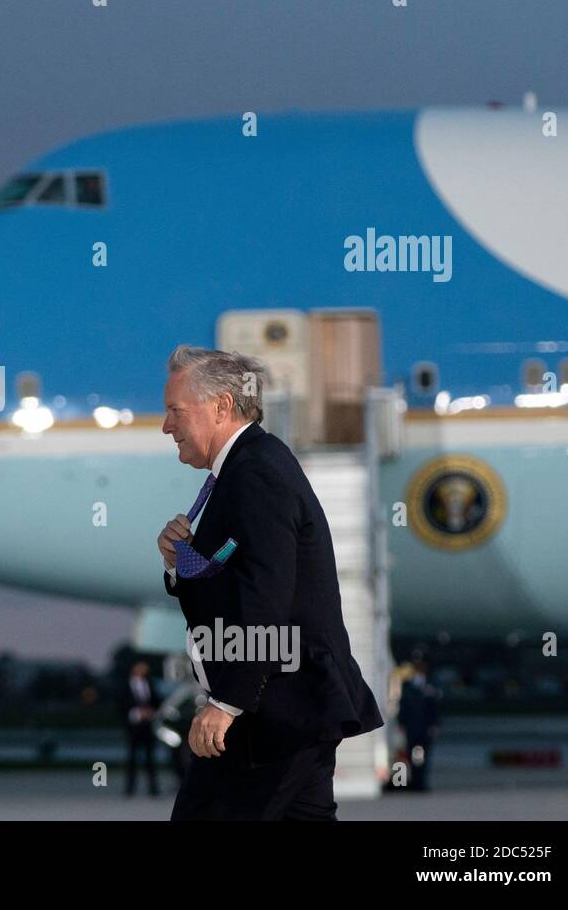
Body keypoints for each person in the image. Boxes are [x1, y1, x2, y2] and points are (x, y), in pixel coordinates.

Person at [157, 345, 384, 820]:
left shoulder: (255, 472)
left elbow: (265, 597)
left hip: (274, 710)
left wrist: (228, 702)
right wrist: (181, 566)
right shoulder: (248, 467)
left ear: (221, 406)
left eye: (176, 412)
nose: (167, 426)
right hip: (294, 706)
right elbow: (235, 588)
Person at [117, 660, 161, 796]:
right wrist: (136, 714)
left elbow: (156, 702)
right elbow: (121, 706)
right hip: (133, 728)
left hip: (148, 726)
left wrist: (150, 712)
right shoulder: (124, 686)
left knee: (150, 758)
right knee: (132, 759)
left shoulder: (150, 684)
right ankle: (130, 788)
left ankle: (153, 788)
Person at [398, 658, 439, 791]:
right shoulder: (409, 686)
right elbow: (403, 706)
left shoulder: (429, 686)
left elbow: (434, 708)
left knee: (420, 757)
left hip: (422, 729)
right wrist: (402, 723)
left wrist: (434, 724)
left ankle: (419, 782)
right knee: (416, 757)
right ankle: (417, 782)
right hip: (414, 728)